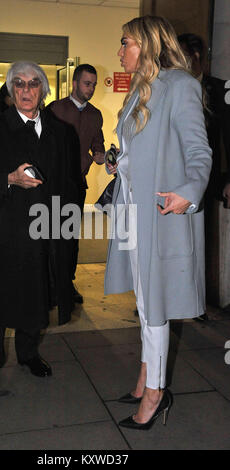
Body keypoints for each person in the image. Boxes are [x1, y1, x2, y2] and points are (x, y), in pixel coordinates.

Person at [104, 15, 212, 430]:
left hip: (163, 213)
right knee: (145, 303)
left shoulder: (181, 85)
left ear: (148, 44)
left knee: (154, 307)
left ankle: (155, 394)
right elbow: (140, 147)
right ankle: (147, 376)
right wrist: (121, 162)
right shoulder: (138, 91)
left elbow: (198, 151)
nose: (120, 51)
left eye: (126, 42)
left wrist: (190, 189)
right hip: (134, 211)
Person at [0, 61, 82, 391]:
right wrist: (9, 180)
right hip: (3, 230)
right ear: (10, 90)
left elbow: (66, 184)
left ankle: (28, 354)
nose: (26, 90)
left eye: (33, 84)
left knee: (36, 294)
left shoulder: (60, 133)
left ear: (43, 89)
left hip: (43, 230)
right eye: (19, 84)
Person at [178, 33, 230, 313]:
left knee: (200, 242)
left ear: (196, 57)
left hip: (206, 180)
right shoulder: (170, 87)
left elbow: (227, 136)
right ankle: (169, 297)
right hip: (173, 178)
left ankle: (197, 302)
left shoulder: (218, 90)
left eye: (182, 55)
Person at [50, 64, 105, 303]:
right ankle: (49, 283)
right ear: (74, 83)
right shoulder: (55, 109)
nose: (91, 88)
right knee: (51, 234)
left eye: (93, 84)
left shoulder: (95, 114)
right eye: (87, 83)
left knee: (70, 237)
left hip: (76, 185)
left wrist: (101, 155)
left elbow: (98, 144)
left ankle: (66, 283)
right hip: (52, 184)